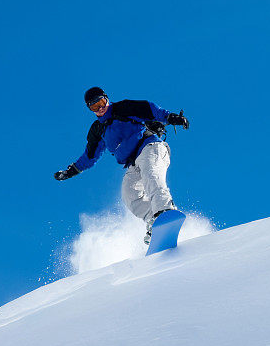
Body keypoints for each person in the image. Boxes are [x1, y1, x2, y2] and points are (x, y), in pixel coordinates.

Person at [55, 87, 190, 244]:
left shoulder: (123, 108)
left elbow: (150, 109)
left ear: (107, 99)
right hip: (132, 163)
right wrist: (72, 171)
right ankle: (155, 221)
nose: (100, 108)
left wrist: (171, 117)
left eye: (101, 102)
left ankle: (165, 211)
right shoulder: (98, 129)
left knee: (151, 174)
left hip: (150, 148)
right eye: (94, 106)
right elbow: (90, 156)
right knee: (129, 194)